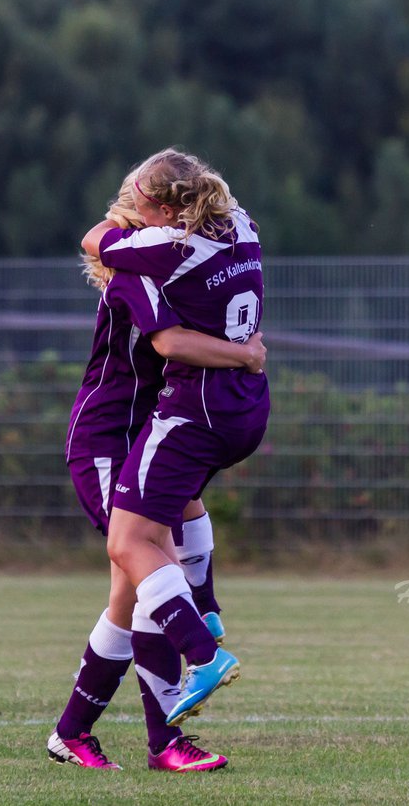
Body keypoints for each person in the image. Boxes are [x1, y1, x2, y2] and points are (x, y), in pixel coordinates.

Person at [47, 175, 265, 773]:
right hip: (106, 443)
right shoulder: (138, 275)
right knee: (147, 567)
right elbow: (171, 341)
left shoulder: (174, 262)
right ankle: (166, 736)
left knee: (134, 588)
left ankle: (76, 733)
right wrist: (245, 354)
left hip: (147, 436)